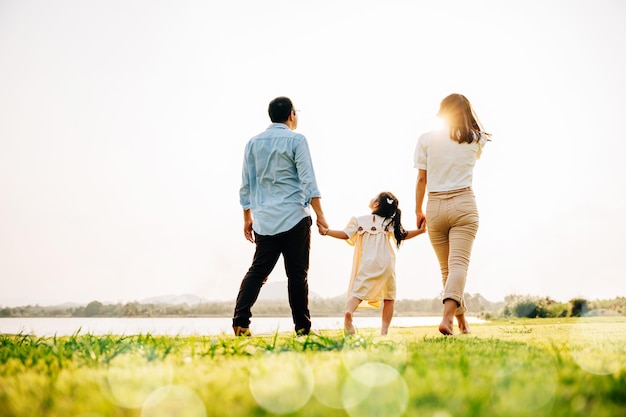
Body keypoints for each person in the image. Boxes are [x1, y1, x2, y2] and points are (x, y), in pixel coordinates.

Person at [232, 96, 328, 337]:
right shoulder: (296, 140)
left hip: (264, 220)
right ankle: (302, 328)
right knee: (297, 275)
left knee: (257, 272)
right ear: (291, 115)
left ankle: (240, 322)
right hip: (295, 216)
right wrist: (320, 215)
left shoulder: (252, 143)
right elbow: (308, 179)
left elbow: (246, 185)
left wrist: (247, 217)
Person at [414, 93, 491, 336]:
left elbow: (421, 179)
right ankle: (447, 320)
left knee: (447, 270)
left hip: (434, 204)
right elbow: (472, 140)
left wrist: (418, 210)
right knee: (457, 266)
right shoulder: (477, 139)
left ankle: (462, 324)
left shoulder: (425, 139)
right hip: (464, 203)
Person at [319, 191, 425, 335]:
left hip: (368, 263)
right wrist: (420, 231)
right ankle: (384, 332)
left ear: (376, 204)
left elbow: (345, 234)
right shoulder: (389, 222)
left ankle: (348, 313)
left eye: (374, 197)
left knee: (356, 293)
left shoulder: (359, 220)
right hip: (386, 264)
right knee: (389, 298)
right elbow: (403, 235)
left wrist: (327, 231)